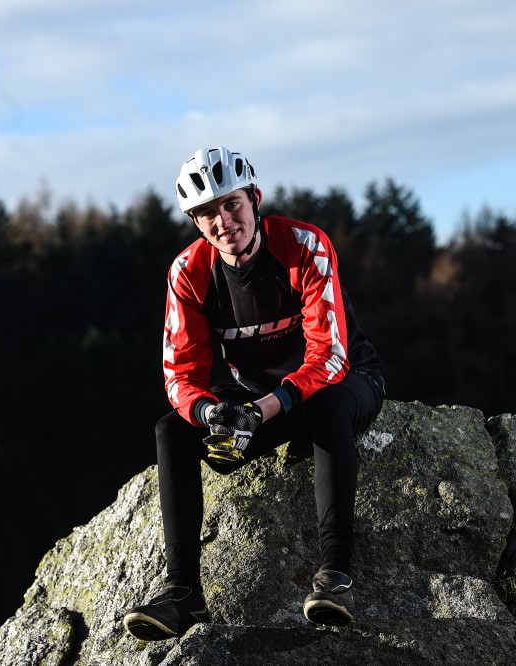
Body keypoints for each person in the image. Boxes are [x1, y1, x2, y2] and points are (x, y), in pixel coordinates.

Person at [122, 147, 384, 641]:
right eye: (206, 213)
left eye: (232, 204)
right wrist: (210, 412)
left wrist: (265, 409)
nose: (223, 221)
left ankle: (336, 577)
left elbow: (328, 355)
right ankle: (182, 595)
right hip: (259, 402)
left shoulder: (304, 244)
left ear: (255, 199)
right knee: (170, 432)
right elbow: (181, 372)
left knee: (326, 408)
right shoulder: (188, 272)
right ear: (194, 222)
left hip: (343, 380)